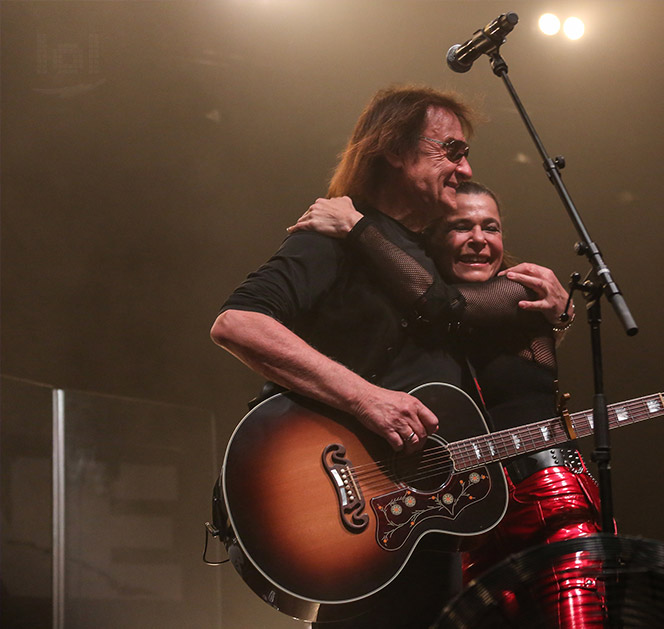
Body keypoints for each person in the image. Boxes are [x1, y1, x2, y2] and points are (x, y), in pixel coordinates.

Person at [211, 87, 570, 627]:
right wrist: (367, 399)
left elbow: (483, 333)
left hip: (429, 517)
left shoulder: (426, 263)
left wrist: (557, 315)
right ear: (394, 151)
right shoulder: (329, 239)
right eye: (451, 150)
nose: (465, 167)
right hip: (350, 510)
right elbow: (238, 324)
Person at [290, 181, 608, 626]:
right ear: (431, 241)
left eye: (491, 227)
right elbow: (426, 304)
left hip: (547, 498)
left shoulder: (514, 293)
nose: (480, 238)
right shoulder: (425, 321)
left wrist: (355, 226)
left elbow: (441, 304)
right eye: (461, 226)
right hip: (472, 515)